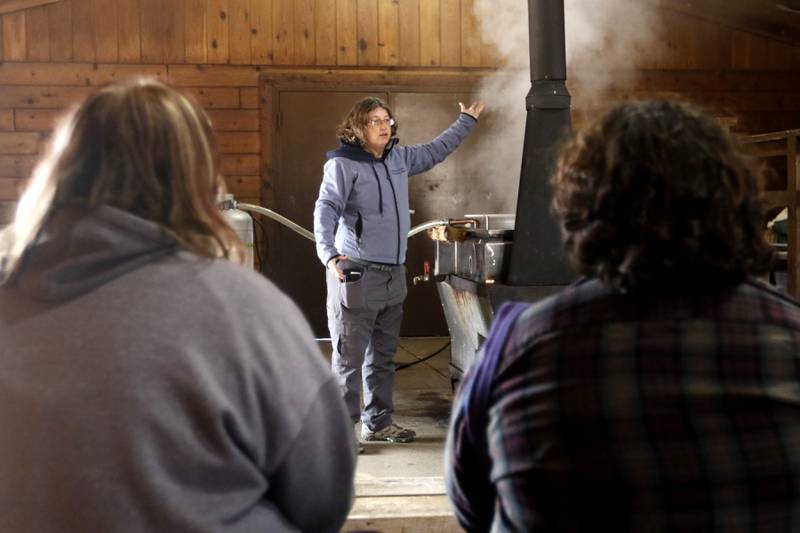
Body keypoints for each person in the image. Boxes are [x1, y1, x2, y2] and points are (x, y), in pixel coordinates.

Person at [0, 79, 356, 533]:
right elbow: (322, 495)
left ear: (62, 169)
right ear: (196, 177)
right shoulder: (245, 309)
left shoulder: (9, 294)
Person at [446, 100, 800, 532]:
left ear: (582, 210)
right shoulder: (791, 334)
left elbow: (473, 511)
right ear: (735, 202)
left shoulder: (513, 349)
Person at [314, 96, 485, 445]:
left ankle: (378, 424)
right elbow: (326, 210)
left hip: (393, 275)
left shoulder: (399, 159)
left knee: (382, 357)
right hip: (356, 274)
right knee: (348, 360)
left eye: (386, 120)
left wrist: (466, 120)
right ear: (358, 127)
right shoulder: (343, 165)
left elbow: (437, 150)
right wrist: (330, 257)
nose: (383, 125)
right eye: (374, 120)